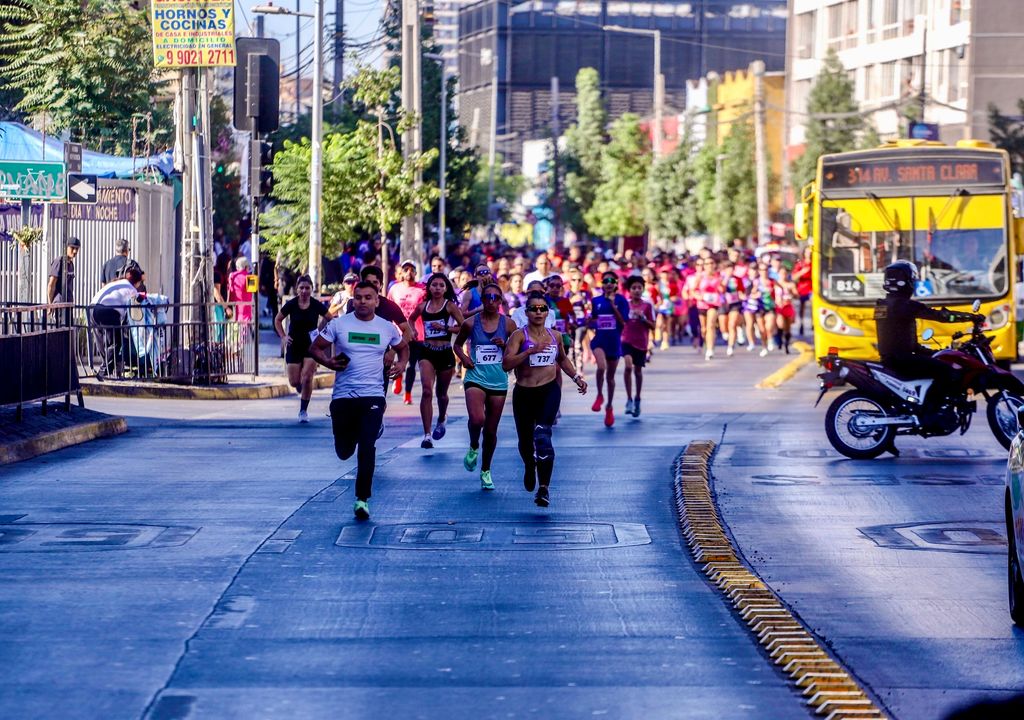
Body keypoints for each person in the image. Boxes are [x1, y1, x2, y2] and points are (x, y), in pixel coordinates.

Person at [310, 281, 409, 521]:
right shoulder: (339, 324)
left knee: (367, 446)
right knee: (344, 452)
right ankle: (352, 434)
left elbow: (404, 348)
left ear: (376, 301)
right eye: (358, 297)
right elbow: (315, 348)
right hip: (343, 397)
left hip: (373, 395)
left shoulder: (386, 327)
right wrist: (328, 362)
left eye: (368, 297)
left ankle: (362, 498)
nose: (362, 301)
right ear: (352, 300)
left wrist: (401, 364)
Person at [502, 291, 588, 507]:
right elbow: (506, 364)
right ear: (527, 312)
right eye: (534, 309)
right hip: (524, 393)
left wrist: (577, 377)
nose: (538, 312)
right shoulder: (519, 336)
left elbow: (562, 359)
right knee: (525, 442)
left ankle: (543, 488)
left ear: (547, 312)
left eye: (542, 309)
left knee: (542, 435)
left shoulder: (555, 336)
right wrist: (528, 352)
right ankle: (529, 465)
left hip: (549, 391)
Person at [875, 260, 982, 402]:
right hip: (903, 361)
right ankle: (933, 410)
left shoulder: (882, 305)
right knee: (948, 371)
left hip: (891, 359)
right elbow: (941, 316)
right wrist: (970, 317)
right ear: (907, 282)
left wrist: (934, 352)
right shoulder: (906, 306)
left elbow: (901, 341)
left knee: (938, 364)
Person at [453, 282, 518, 490]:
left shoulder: (509, 324)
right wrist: (464, 358)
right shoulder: (471, 323)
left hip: (498, 380)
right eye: (487, 297)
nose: (491, 301)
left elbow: (516, 351)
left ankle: (486, 470)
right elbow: (457, 344)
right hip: (475, 376)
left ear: (500, 301)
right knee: (477, 419)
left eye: (495, 298)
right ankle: (474, 445)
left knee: (490, 431)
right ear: (482, 300)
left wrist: (505, 345)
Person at [408, 273, 466, 448]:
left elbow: (463, 326)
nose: (437, 288)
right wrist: (413, 330)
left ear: (446, 288)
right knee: (427, 391)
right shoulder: (423, 306)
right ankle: (427, 435)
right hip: (427, 351)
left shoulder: (450, 306)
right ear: (429, 287)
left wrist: (445, 327)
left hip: (445, 352)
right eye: (434, 285)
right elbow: (411, 319)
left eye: (441, 285)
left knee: (441, 394)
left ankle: (441, 418)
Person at [274, 274, 329, 422]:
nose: (304, 291)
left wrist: (324, 336)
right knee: (294, 381)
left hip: (311, 346)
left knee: (307, 377)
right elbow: (278, 320)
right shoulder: (291, 304)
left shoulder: (316, 304)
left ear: (311, 289)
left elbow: (330, 319)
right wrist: (283, 336)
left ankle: (303, 410)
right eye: (301, 288)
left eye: (307, 288)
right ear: (297, 289)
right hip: (294, 344)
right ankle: (299, 386)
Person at [588, 271, 629, 427]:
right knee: (601, 367)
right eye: (605, 281)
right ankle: (599, 395)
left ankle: (609, 407)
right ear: (602, 284)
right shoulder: (596, 300)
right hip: (599, 340)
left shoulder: (621, 300)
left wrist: (613, 305)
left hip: (614, 342)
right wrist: (590, 321)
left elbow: (623, 322)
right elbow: (593, 320)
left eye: (612, 281)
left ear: (616, 283)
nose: (609, 283)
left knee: (610, 378)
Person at [89, 268, 145, 376]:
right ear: (137, 282)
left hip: (92, 308)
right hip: (108, 311)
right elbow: (137, 301)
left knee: (101, 341)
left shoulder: (116, 283)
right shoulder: (131, 289)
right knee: (115, 342)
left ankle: (105, 368)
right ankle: (105, 370)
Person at [388, 260, 427, 404]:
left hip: (417, 333)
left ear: (416, 273)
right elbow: (388, 308)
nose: (409, 272)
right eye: (406, 270)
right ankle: (398, 377)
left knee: (412, 364)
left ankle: (408, 394)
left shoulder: (422, 290)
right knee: (399, 360)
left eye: (412, 270)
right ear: (401, 273)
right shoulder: (394, 289)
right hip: (398, 332)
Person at [621, 276, 655, 417]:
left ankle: (638, 398)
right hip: (626, 340)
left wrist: (643, 319)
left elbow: (653, 325)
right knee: (628, 366)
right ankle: (629, 399)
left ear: (643, 289)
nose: (636, 290)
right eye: (633, 288)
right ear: (629, 290)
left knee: (638, 371)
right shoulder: (625, 305)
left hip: (641, 342)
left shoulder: (647, 306)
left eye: (639, 288)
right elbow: (620, 320)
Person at [48, 236, 80, 304]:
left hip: (68, 302)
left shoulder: (71, 264)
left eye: (77, 249)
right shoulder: (59, 262)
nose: (75, 251)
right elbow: (51, 284)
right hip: (59, 303)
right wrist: (50, 304)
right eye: (72, 248)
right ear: (66, 248)